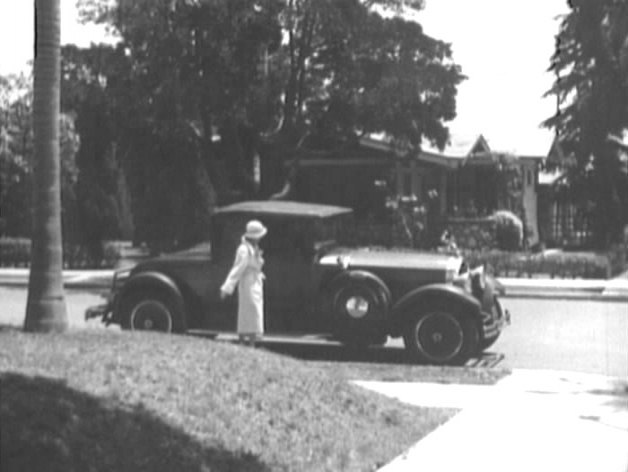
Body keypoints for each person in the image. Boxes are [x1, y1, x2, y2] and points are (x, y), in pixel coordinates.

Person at [220, 220, 267, 347]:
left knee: (254, 311)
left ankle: (252, 341)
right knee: (248, 310)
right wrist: (227, 287)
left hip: (255, 283)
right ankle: (243, 340)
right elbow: (238, 268)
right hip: (248, 283)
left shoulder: (254, 248)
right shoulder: (244, 249)